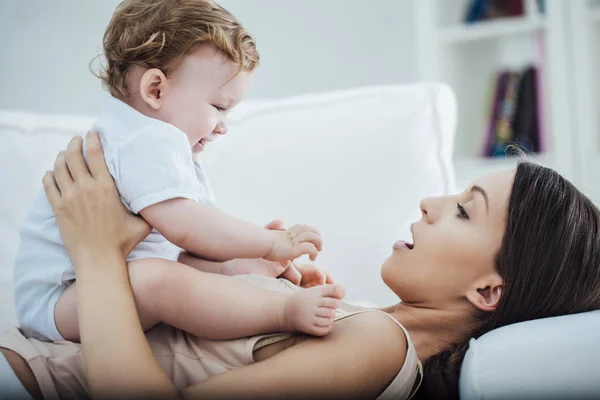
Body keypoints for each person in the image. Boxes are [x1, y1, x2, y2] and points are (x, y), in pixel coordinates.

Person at [2, 133, 600, 399]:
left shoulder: (381, 344)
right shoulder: (362, 323)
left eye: (465, 211)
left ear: (489, 288)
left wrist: (98, 254)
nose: (430, 203)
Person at [13, 0, 345, 346]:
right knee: (155, 279)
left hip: (84, 290)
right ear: (155, 90)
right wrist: (273, 242)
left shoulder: (156, 141)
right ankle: (280, 311)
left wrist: (249, 255)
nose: (222, 128)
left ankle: (256, 281)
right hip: (59, 302)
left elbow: (196, 238)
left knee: (179, 267)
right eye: (218, 107)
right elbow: (189, 227)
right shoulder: (142, 138)